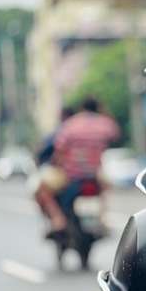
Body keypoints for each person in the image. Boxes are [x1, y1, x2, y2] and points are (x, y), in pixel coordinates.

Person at [50, 97, 121, 231]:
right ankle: (102, 218)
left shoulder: (71, 124)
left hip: (71, 175)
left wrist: (56, 164)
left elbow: (59, 149)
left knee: (42, 189)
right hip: (95, 174)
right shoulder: (105, 123)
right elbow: (115, 135)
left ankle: (58, 220)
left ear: (81, 108)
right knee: (105, 189)